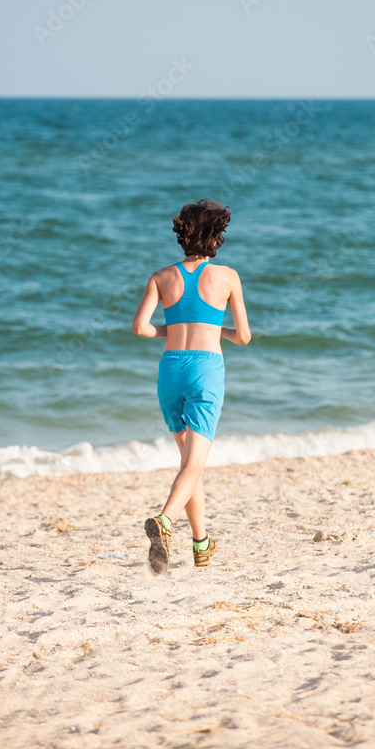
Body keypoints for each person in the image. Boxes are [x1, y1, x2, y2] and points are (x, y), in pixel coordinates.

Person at [131, 198, 251, 574]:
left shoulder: (161, 276)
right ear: (216, 237)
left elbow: (140, 328)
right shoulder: (227, 276)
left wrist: (172, 330)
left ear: (182, 235)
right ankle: (164, 521)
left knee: (189, 464)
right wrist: (215, 329)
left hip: (170, 370)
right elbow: (243, 337)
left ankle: (201, 544)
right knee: (194, 463)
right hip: (205, 369)